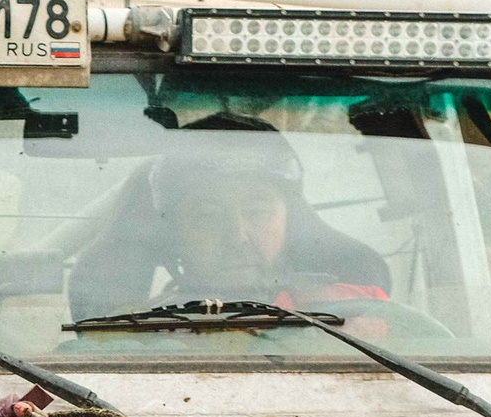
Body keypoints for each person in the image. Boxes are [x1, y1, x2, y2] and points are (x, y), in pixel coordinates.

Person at [69, 125, 391, 319]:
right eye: (208, 217)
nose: (238, 236)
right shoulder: (129, 337)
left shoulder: (358, 313)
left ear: (289, 222)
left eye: (257, 211)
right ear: (174, 235)